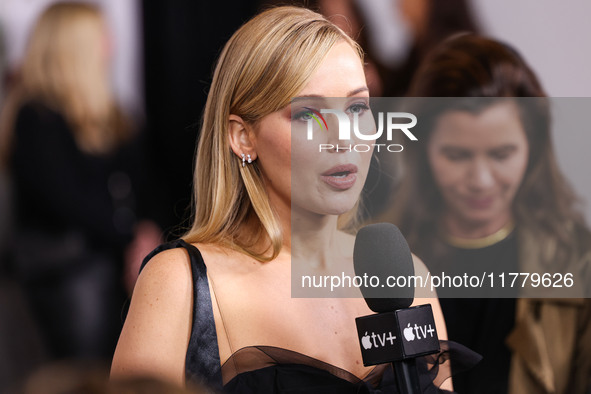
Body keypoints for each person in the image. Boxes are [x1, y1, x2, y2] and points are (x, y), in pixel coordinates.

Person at [110, 6, 477, 393]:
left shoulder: (406, 276)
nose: (344, 137)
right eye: (309, 115)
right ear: (242, 137)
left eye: (357, 108)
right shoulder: (179, 283)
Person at [383, 34, 591, 393]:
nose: (480, 181)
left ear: (534, 147)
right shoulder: (375, 261)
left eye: (501, 154)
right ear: (422, 151)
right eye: (458, 155)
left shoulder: (578, 262)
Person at [0, 2, 160, 361]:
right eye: (101, 35)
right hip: (67, 269)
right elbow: (68, 203)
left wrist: (146, 233)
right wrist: (131, 238)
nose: (112, 43)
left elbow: (145, 190)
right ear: (75, 47)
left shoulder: (116, 118)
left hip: (112, 261)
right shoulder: (35, 118)